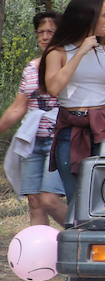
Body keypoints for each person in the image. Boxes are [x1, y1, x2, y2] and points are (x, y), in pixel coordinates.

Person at [40, 0, 105, 201]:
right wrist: (80, 53)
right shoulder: (59, 51)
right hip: (72, 130)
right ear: (88, 18)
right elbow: (54, 88)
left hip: (103, 127)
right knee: (77, 198)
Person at [0, 12, 67, 226]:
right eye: (41, 32)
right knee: (35, 201)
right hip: (32, 140)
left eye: (51, 32)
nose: (45, 36)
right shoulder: (30, 68)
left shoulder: (70, 65)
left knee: (50, 199)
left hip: (59, 140)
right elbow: (18, 107)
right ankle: (40, 258)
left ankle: (83, 241)